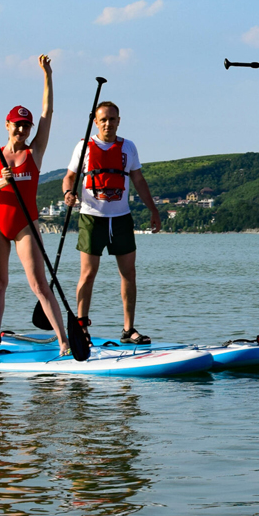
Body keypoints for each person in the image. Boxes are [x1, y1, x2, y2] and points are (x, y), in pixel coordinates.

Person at [0, 55, 69, 358]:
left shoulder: (35, 152)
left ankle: (64, 342)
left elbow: (48, 112)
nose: (22, 131)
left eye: (26, 127)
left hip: (25, 224)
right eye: (17, 126)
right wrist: (1, 183)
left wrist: (48, 75)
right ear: (6, 126)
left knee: (40, 286)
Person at [62, 101, 161, 344]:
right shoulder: (83, 146)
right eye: (103, 119)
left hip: (121, 218)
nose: (108, 123)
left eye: (112, 119)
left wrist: (153, 210)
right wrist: (67, 193)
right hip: (91, 217)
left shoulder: (129, 146)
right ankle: (83, 327)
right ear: (96, 122)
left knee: (129, 273)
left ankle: (129, 330)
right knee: (88, 273)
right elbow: (70, 176)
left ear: (119, 121)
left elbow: (138, 180)